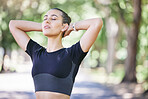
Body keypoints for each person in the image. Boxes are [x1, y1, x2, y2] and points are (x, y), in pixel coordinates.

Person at [9, 8, 103, 99]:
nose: (47, 21)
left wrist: (71, 27)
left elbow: (96, 23)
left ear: (64, 26)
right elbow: (13, 25)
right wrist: (44, 26)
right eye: (45, 19)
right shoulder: (36, 52)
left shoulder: (72, 54)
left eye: (53, 19)